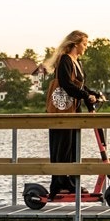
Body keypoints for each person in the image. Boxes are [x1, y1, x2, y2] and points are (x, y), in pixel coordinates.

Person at [42, 29, 99, 196]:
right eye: (84, 44)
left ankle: (70, 180)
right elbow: (67, 84)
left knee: (73, 145)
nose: (86, 47)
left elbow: (79, 85)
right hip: (63, 109)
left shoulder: (77, 62)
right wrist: (85, 95)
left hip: (73, 108)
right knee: (62, 145)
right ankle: (59, 182)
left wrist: (93, 94)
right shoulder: (65, 60)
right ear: (75, 44)